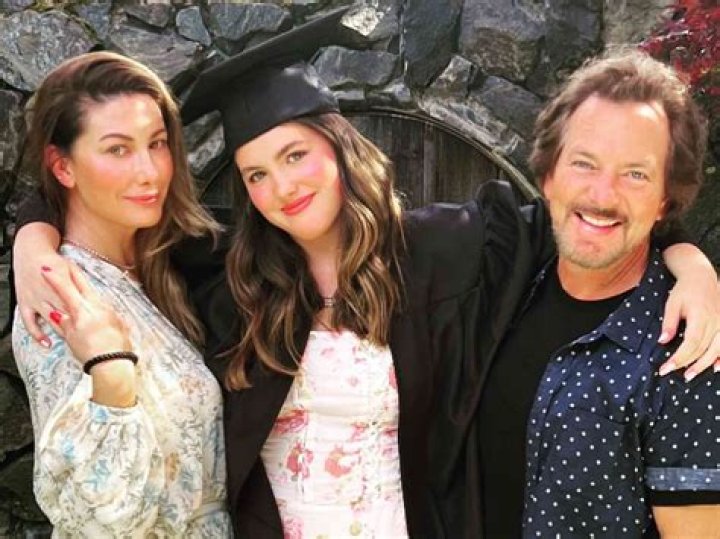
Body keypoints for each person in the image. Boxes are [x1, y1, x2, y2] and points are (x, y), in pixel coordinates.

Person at [11, 10, 720, 538]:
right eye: (256, 174)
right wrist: (32, 240)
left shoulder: (444, 250)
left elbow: (585, 215)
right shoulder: (233, 278)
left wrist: (689, 261)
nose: (282, 187)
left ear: (339, 146)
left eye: (296, 155)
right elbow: (107, 221)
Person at [474, 51, 720, 538]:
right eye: (584, 164)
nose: (603, 195)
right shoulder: (504, 285)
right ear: (548, 176)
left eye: (635, 174)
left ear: (664, 200)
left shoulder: (689, 352)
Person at [11, 51, 231, 537]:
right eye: (117, 150)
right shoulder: (61, 295)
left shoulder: (161, 267)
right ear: (63, 167)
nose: (149, 171)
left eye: (157, 144)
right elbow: (98, 515)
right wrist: (110, 373)